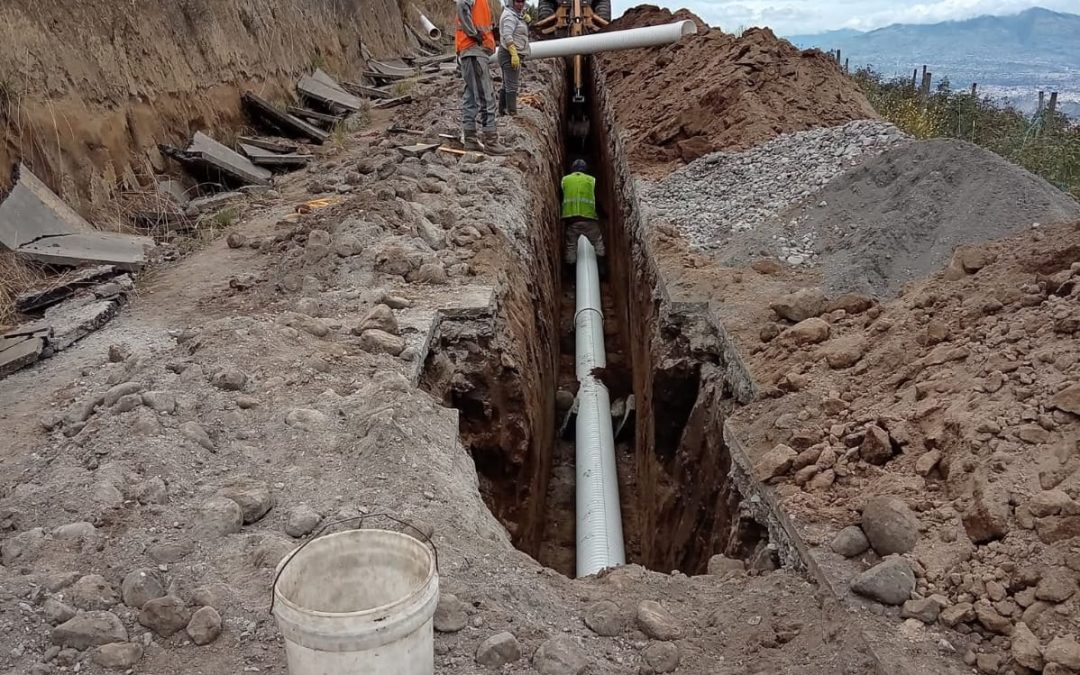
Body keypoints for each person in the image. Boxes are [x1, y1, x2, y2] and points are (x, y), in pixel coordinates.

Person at [456, 0, 508, 153]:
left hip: (472, 51)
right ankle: (491, 141)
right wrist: (474, 34)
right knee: (486, 96)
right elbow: (461, 6)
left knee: (471, 96)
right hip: (473, 51)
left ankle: (471, 138)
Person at [561, 159, 605, 260]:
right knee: (598, 243)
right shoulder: (591, 180)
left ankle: (570, 269)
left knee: (571, 247)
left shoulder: (565, 180)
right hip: (589, 220)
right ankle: (602, 266)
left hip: (572, 222)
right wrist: (604, 215)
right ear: (585, 170)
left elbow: (561, 197)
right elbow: (596, 200)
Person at [498, 0, 529, 116]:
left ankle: (502, 110)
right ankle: (511, 112)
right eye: (518, 2)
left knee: (507, 83)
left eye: (522, 2)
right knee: (512, 85)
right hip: (509, 54)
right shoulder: (509, 16)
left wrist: (525, 21)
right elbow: (507, 35)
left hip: (508, 53)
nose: (520, 4)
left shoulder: (514, 14)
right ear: (512, 2)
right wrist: (514, 53)